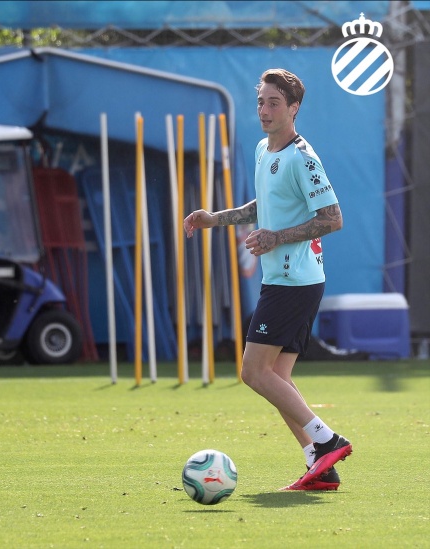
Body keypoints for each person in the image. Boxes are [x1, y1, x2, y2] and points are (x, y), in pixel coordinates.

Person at [183, 68, 352, 491]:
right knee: (277, 375)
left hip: (294, 282)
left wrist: (278, 237)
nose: (264, 110)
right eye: (261, 101)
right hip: (285, 279)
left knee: (253, 372)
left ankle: (327, 440)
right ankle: (320, 465)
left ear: (294, 108)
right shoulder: (264, 149)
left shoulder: (303, 158)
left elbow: (332, 219)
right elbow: (267, 204)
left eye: (274, 103)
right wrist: (215, 218)